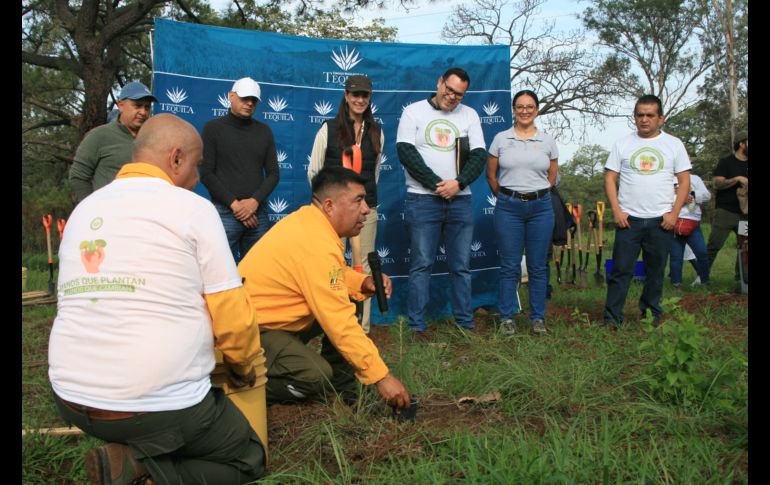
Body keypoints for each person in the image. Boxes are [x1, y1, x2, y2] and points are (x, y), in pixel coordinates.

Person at [48, 114, 266, 484]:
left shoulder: (84, 209)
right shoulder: (193, 209)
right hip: (151, 408)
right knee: (248, 458)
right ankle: (138, 466)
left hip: (70, 398)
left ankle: (127, 451)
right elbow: (231, 312)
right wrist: (242, 364)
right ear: (176, 158)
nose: (198, 180)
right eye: (196, 166)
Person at [238, 166, 410, 410]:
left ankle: (343, 391)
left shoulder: (314, 226)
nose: (366, 209)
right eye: (358, 201)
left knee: (351, 297)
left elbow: (333, 276)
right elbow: (339, 322)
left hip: (275, 322)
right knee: (314, 377)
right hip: (251, 331)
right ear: (329, 206)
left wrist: (362, 282)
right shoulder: (314, 243)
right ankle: (237, 385)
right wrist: (381, 377)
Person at [396, 67, 487, 336]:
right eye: (449, 89)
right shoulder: (413, 111)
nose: (452, 97)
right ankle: (417, 326)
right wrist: (437, 184)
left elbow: (479, 155)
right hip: (423, 199)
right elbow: (405, 151)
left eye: (459, 94)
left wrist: (457, 184)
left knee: (461, 266)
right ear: (439, 83)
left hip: (461, 200)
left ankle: (464, 323)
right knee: (422, 265)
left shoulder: (469, 115)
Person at [603, 94, 691, 327]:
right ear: (635, 117)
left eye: (649, 115)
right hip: (628, 220)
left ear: (660, 118)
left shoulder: (674, 144)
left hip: (661, 221)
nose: (644, 119)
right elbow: (610, 177)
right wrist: (617, 211)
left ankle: (651, 313)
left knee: (655, 271)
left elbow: (684, 181)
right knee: (621, 270)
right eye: (640, 115)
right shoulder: (622, 144)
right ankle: (612, 318)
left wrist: (674, 214)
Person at [307, 75, 384, 334]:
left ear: (370, 97)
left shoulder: (377, 130)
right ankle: (334, 324)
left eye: (364, 95)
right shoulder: (328, 128)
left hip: (366, 209)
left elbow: (375, 172)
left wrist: (363, 201)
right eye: (355, 94)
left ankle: (362, 327)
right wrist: (327, 205)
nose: (360, 99)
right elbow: (314, 171)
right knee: (332, 265)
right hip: (332, 213)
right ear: (346, 96)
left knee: (364, 264)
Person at [487, 90, 558, 336]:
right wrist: (510, 196)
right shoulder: (500, 139)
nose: (525, 110)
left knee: (538, 266)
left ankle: (538, 319)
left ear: (536, 110)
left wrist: (535, 193)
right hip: (509, 208)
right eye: (520, 106)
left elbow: (552, 177)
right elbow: (491, 176)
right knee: (510, 266)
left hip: (541, 208)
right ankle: (507, 318)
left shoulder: (547, 141)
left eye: (530, 106)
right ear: (514, 110)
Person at [200, 76, 280, 262]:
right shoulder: (213, 128)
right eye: (245, 98)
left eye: (254, 99)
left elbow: (274, 174)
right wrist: (236, 206)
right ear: (231, 96)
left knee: (258, 271)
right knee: (217, 269)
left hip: (257, 213)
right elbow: (206, 174)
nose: (250, 103)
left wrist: (253, 203)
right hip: (225, 212)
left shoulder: (264, 131)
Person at [69, 81, 157, 204]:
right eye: (137, 105)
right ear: (120, 105)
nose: (143, 112)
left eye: (147, 107)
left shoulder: (153, 138)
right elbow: (78, 177)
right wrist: (92, 208)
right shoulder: (99, 136)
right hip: (107, 216)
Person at [707, 132, 748, 280]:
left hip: (745, 214)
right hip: (726, 212)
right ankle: (702, 277)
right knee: (714, 245)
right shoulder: (726, 162)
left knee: (745, 248)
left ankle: (742, 280)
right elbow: (717, 183)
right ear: (742, 144)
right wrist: (737, 179)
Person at [669, 173, 711, 288]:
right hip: (675, 221)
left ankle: (705, 281)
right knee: (676, 256)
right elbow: (662, 199)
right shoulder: (667, 178)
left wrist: (691, 194)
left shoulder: (695, 178)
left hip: (693, 222)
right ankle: (676, 284)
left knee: (702, 252)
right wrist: (682, 199)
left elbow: (707, 195)